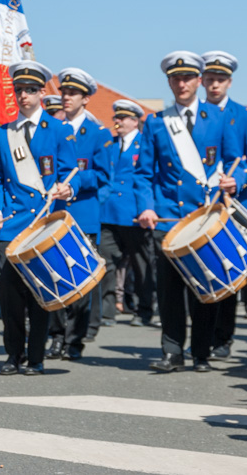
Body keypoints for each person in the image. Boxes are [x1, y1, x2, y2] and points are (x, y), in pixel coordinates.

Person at [135, 51, 243, 373]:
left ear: (199, 80)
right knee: (169, 290)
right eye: (175, 78)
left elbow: (242, 160)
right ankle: (172, 352)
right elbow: (144, 174)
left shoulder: (220, 117)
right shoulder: (156, 122)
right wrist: (147, 207)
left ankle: (201, 352)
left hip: (206, 215)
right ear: (169, 82)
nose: (181, 84)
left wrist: (237, 180)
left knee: (205, 286)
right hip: (168, 215)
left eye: (187, 78)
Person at [0, 61, 78, 376]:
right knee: (9, 295)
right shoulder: (3, 134)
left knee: (41, 293)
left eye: (30, 90)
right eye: (19, 90)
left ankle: (36, 356)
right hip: (10, 225)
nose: (24, 95)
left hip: (45, 223)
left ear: (41, 93)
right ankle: (14, 354)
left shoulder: (60, 130)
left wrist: (69, 187)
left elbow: (74, 172)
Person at [199, 51, 247, 360]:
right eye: (209, 79)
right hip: (199, 202)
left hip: (230, 203)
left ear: (230, 82)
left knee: (226, 271)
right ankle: (200, 338)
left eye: (220, 80)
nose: (214, 85)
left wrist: (237, 179)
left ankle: (222, 338)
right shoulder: (191, 115)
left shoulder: (245, 114)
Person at [48, 68, 110, 359]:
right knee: (55, 276)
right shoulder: (53, 129)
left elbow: (102, 175)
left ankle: (75, 340)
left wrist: (73, 186)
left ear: (86, 99)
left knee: (82, 282)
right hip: (55, 214)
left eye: (72, 93)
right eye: (64, 92)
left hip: (83, 213)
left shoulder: (98, 134)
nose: (66, 97)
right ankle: (57, 336)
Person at [100, 99, 159, 328]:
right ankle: (107, 311)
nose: (117, 122)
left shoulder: (144, 144)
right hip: (109, 212)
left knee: (141, 264)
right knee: (107, 262)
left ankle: (143, 311)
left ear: (135, 121)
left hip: (135, 213)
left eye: (122, 118)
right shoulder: (111, 145)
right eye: (116, 118)